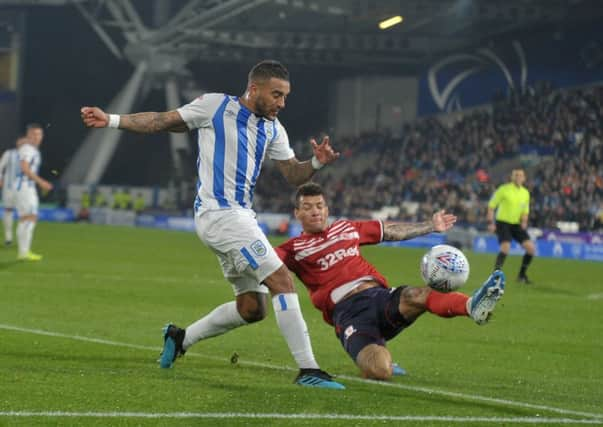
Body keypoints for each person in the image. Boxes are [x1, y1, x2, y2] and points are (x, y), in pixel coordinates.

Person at [80, 60, 344, 389]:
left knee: (252, 309)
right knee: (281, 280)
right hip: (220, 214)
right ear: (254, 89)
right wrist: (112, 120)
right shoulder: (216, 106)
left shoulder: (274, 129)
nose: (282, 103)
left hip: (239, 217)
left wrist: (317, 162)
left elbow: (292, 174)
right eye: (276, 95)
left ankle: (180, 338)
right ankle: (309, 370)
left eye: (285, 96)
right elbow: (162, 121)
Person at [275, 183, 506, 380]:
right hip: (348, 315)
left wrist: (431, 226)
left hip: (379, 298)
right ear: (297, 213)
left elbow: (391, 231)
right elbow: (264, 265)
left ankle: (472, 306)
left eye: (320, 206)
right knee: (380, 370)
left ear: (326, 209)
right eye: (308, 207)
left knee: (417, 295)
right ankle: (379, 352)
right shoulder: (293, 249)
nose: (316, 212)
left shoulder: (346, 228)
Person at [487, 169, 535, 284]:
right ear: (512, 177)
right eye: (516, 175)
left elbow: (525, 210)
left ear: (524, 178)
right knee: (505, 248)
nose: (518, 177)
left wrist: (524, 222)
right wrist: (490, 223)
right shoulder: (504, 189)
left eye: (521, 175)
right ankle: (495, 275)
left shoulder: (525, 193)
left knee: (531, 249)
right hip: (503, 223)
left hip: (516, 224)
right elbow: (491, 206)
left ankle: (522, 276)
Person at [15, 123, 53, 261]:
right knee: (30, 217)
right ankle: (24, 252)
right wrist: (41, 182)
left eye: (39, 134)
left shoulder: (29, 148)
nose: (37, 137)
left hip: (22, 187)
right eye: (34, 134)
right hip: (24, 187)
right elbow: (24, 167)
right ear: (28, 135)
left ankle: (23, 252)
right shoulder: (28, 149)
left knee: (26, 218)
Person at [0, 136, 27, 245]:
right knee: (8, 210)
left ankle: (23, 238)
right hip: (9, 188)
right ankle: (8, 238)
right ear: (17, 143)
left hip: (23, 189)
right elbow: (0, 166)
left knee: (25, 213)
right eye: (21, 141)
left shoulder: (29, 154)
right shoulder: (9, 153)